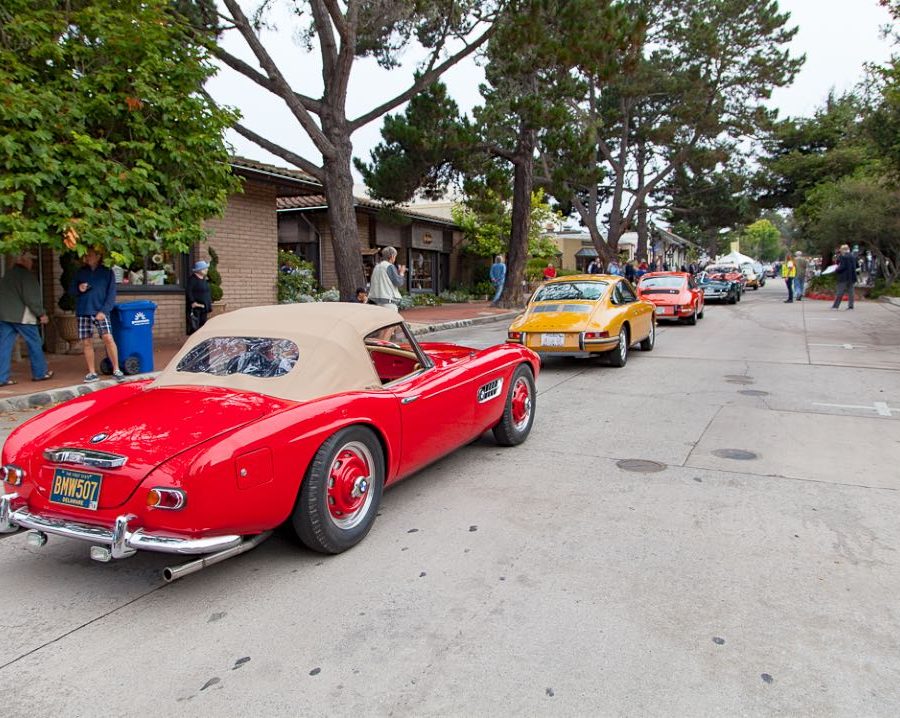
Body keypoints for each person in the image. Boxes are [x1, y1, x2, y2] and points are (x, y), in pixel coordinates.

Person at [0, 251, 54, 386]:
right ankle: (40, 373)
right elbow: (32, 299)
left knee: (4, 346)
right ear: (24, 261)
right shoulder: (27, 276)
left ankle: (2, 377)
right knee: (35, 343)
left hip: (5, 315)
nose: (32, 263)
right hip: (23, 317)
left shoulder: (8, 274)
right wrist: (41, 314)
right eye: (30, 260)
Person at [70, 247, 123, 382]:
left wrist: (104, 311)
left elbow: (111, 294)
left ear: (98, 256)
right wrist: (79, 288)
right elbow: (71, 291)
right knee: (86, 342)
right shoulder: (80, 272)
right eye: (86, 255)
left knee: (108, 338)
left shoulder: (107, 272)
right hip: (83, 310)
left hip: (100, 311)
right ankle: (92, 372)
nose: (87, 258)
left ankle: (116, 369)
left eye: (90, 255)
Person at [369, 246, 406, 310]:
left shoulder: (377, 267)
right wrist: (401, 273)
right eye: (395, 256)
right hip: (388, 302)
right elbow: (398, 282)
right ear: (392, 256)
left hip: (376, 302)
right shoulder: (389, 266)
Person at [186, 260, 212, 334]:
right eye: (204, 268)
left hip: (204, 307)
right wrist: (193, 302)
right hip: (197, 308)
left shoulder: (204, 280)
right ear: (199, 270)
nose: (206, 270)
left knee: (203, 326)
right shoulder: (193, 279)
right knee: (195, 327)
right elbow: (188, 291)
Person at [832, 244, 856, 310]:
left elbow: (842, 267)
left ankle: (835, 306)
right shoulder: (853, 256)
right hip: (851, 277)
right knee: (851, 292)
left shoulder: (843, 257)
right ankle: (851, 306)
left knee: (840, 291)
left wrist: (836, 269)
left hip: (843, 277)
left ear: (843, 250)